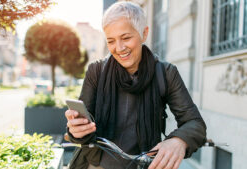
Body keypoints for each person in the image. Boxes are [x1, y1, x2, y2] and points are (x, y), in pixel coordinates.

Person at [65, 1, 206, 169]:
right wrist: (75, 131)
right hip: (96, 165)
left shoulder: (166, 73)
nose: (119, 48)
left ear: (144, 33)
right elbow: (81, 132)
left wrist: (178, 140)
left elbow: (195, 123)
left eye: (126, 38)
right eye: (111, 41)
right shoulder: (96, 71)